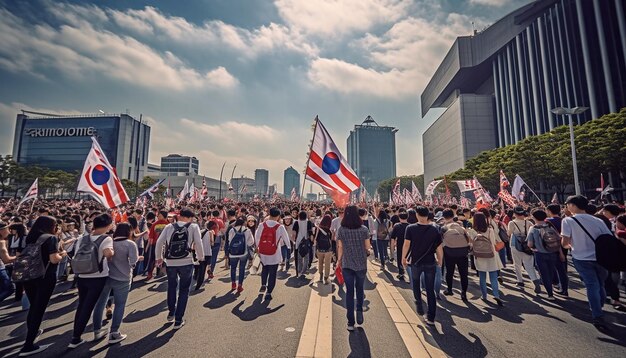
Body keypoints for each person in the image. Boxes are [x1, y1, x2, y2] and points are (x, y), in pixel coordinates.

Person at [561, 195, 613, 329]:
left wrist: (571, 246)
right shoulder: (598, 220)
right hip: (601, 258)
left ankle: (597, 314)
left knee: (592, 285)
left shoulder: (568, 221)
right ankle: (599, 305)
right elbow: (609, 238)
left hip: (581, 258)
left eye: (567, 204)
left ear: (573, 205)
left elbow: (565, 242)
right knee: (600, 283)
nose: (567, 207)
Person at [18, 216, 67, 357]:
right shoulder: (50, 238)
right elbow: (53, 259)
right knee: (39, 310)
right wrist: (62, 254)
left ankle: (31, 334)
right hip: (45, 276)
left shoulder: (30, 237)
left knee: (34, 307)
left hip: (28, 275)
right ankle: (28, 345)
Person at [69, 213, 115, 349]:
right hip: (98, 276)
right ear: (107, 225)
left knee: (82, 305)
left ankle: (75, 335)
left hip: (82, 276)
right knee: (90, 306)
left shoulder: (82, 239)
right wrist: (112, 252)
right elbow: (108, 254)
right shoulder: (106, 239)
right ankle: (76, 338)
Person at [155, 208, 204, 329]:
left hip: (171, 262)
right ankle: (178, 319)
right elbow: (198, 242)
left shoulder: (169, 227)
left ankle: (171, 312)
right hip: (186, 261)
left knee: (171, 287)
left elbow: (159, 242)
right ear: (189, 217)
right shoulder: (193, 227)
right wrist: (200, 257)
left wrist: (159, 258)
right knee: (184, 290)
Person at [92, 223, 140, 344]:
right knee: (120, 305)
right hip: (123, 278)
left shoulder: (109, 242)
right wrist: (138, 259)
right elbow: (133, 262)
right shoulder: (130, 244)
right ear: (129, 231)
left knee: (100, 303)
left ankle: (97, 330)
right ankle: (114, 333)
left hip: (105, 276)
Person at [402, 206, 443, 325]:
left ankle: (418, 303)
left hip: (416, 262)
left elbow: (406, 244)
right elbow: (439, 248)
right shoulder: (435, 229)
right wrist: (440, 260)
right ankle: (431, 318)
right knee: (430, 290)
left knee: (415, 284)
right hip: (430, 262)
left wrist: (403, 258)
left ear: (417, 215)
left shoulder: (410, 228)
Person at [336, 205, 371, 331]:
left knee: (349, 292)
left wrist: (339, 261)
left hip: (347, 264)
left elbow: (340, 247)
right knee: (360, 289)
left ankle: (350, 322)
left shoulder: (341, 229)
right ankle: (360, 310)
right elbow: (367, 247)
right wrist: (367, 252)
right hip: (361, 264)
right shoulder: (363, 229)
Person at [527, 209, 567, 300]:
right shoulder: (550, 226)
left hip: (540, 254)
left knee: (544, 274)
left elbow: (529, 244)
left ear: (534, 217)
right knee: (552, 270)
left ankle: (550, 294)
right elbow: (558, 240)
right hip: (552, 252)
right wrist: (561, 253)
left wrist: (533, 248)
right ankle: (556, 285)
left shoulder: (533, 228)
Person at [254, 207, 290, 301]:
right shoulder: (280, 226)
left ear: (269, 214)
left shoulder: (262, 225)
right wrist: (289, 248)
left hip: (263, 252)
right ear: (278, 216)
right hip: (274, 253)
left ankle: (263, 284)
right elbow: (286, 239)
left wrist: (257, 247)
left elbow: (257, 237)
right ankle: (269, 292)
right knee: (273, 273)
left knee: (264, 269)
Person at [471, 212, 504, 306]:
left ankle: (484, 295)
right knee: (493, 276)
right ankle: (496, 295)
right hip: (491, 254)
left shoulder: (473, 231)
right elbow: (493, 242)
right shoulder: (489, 229)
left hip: (479, 255)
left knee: (482, 277)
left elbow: (471, 243)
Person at [507, 206, 540, 292]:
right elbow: (534, 231)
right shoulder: (528, 222)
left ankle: (520, 281)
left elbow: (509, 233)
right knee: (529, 265)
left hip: (515, 244)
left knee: (517, 264)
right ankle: (535, 280)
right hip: (527, 245)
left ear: (515, 214)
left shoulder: (512, 223)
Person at [441, 209, 470, 301]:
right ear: (453, 216)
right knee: (463, 274)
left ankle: (449, 289)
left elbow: (440, 242)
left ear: (444, 217)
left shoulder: (443, 228)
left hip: (449, 253)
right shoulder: (461, 227)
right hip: (462, 253)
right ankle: (464, 293)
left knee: (449, 272)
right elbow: (468, 239)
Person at [227, 217, 254, 293]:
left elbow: (229, 240)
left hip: (233, 253)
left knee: (233, 268)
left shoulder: (232, 230)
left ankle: (233, 284)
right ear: (244, 223)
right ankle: (240, 285)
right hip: (243, 252)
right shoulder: (247, 230)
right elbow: (251, 242)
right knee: (242, 269)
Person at [145, 210, 168, 280]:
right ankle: (150, 274)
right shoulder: (154, 224)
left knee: (165, 259)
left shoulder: (169, 224)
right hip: (155, 244)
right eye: (158, 215)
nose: (158, 217)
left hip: (166, 245)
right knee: (152, 259)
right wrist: (148, 246)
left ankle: (162, 272)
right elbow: (151, 236)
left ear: (164, 216)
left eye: (160, 216)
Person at [293, 211, 313, 279]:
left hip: (298, 242)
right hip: (306, 241)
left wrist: (294, 241)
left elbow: (294, 233)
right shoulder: (308, 222)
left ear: (299, 216)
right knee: (306, 257)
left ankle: (299, 270)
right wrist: (312, 241)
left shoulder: (296, 222)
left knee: (299, 257)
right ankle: (304, 271)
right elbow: (310, 233)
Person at [390, 211, 409, 281]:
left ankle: (401, 273)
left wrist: (392, 249)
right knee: (408, 259)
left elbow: (393, 238)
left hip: (400, 245)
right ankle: (409, 274)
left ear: (399, 218)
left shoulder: (397, 226)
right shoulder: (410, 226)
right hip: (409, 246)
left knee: (400, 259)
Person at [314, 215, 333, 284]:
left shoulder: (318, 229)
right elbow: (331, 239)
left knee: (320, 262)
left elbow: (315, 238)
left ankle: (321, 275)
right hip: (328, 249)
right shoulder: (329, 230)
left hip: (320, 248)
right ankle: (326, 277)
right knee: (327, 264)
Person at [195, 221, 214, 290]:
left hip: (200, 252)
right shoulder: (211, 232)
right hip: (208, 252)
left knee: (201, 268)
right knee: (204, 268)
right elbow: (212, 243)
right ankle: (200, 282)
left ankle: (197, 280)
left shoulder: (201, 231)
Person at [0, 221, 15, 303]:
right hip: (0, 269)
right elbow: (6, 259)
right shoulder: (1, 243)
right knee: (9, 289)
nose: (9, 231)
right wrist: (20, 256)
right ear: (1, 231)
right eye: (7, 229)